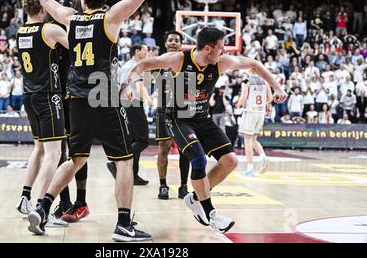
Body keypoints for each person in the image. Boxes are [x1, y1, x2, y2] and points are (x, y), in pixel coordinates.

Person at [29, 0, 159, 241]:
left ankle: (42, 206)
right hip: (102, 95)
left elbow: (46, 0)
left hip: (75, 96)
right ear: (103, 0)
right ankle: (124, 225)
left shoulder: (71, 19)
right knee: (124, 160)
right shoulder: (110, 18)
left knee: (75, 158)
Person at [121, 27, 287, 234]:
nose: (223, 51)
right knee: (198, 160)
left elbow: (253, 64)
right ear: (208, 48)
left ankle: (196, 198)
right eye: (220, 47)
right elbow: (143, 64)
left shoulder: (221, 63)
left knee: (230, 161)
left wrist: (277, 87)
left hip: (202, 118)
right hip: (178, 119)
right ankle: (210, 214)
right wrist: (127, 85)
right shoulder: (178, 59)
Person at [13, 0, 72, 230]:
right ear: (43, 9)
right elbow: (78, 45)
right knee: (54, 154)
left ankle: (24, 197)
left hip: (29, 94)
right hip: (49, 96)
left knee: (39, 149)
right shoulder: (49, 30)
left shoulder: (20, 32)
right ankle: (41, 208)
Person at [107, 44, 152, 186]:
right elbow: (136, 87)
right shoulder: (131, 67)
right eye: (145, 50)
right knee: (142, 140)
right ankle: (116, 162)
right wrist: (148, 99)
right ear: (136, 52)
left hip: (128, 105)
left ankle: (133, 175)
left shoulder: (132, 65)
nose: (147, 52)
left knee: (133, 140)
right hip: (131, 104)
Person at [153, 31, 190, 200]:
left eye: (177, 41)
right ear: (166, 43)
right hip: (164, 109)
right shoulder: (159, 62)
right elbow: (149, 81)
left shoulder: (187, 62)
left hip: (183, 110)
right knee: (163, 148)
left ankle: (183, 186)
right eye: (171, 40)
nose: (174, 43)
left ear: (181, 45)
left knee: (185, 150)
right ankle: (163, 185)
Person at [236, 70, 272, 177]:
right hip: (261, 113)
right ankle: (263, 158)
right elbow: (270, 98)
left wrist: (238, 105)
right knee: (253, 140)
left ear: (249, 70)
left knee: (247, 141)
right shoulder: (265, 81)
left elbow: (243, 97)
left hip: (250, 112)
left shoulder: (246, 81)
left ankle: (250, 169)